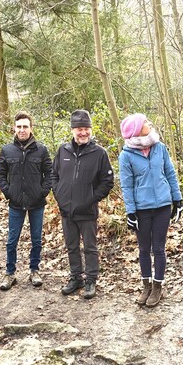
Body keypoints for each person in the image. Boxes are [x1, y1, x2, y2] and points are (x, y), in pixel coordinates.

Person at [118, 113, 183, 307]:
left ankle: (157, 287)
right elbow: (127, 185)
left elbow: (170, 173)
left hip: (163, 206)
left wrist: (177, 199)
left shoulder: (159, 147)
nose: (149, 123)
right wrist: (130, 212)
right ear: (137, 129)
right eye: (145, 122)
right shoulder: (126, 155)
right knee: (144, 249)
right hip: (142, 209)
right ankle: (146, 286)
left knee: (159, 248)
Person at [52, 109, 114, 299]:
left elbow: (107, 182)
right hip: (67, 211)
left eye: (86, 128)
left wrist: (91, 199)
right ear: (72, 130)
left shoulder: (99, 153)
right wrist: (60, 195)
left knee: (90, 247)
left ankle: (90, 280)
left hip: (87, 211)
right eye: (80, 129)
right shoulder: (63, 151)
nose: (84, 132)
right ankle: (76, 278)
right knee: (71, 246)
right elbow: (54, 176)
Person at [0, 111, 52, 290]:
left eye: (25, 126)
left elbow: (50, 173)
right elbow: (0, 174)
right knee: (12, 240)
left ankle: (35, 270)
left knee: (36, 240)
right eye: (19, 127)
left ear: (31, 128)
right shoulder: (7, 150)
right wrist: (9, 192)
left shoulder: (41, 150)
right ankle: (10, 273)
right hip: (16, 203)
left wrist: (42, 192)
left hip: (36, 203)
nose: (22, 130)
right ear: (14, 128)